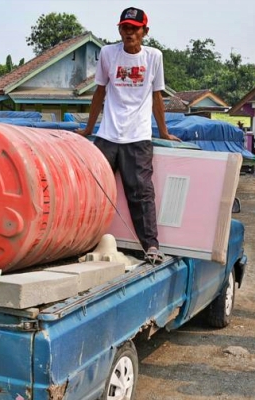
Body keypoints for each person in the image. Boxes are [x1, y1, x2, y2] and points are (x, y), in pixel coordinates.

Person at [76, 7, 179, 264]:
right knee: (92, 189)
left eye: (134, 28)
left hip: (138, 136)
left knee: (141, 192)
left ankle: (151, 246)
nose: (129, 33)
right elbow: (99, 92)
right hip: (108, 135)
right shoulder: (108, 53)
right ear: (119, 29)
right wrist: (89, 130)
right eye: (125, 27)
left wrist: (164, 132)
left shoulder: (154, 57)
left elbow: (157, 96)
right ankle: (78, 242)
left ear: (145, 31)